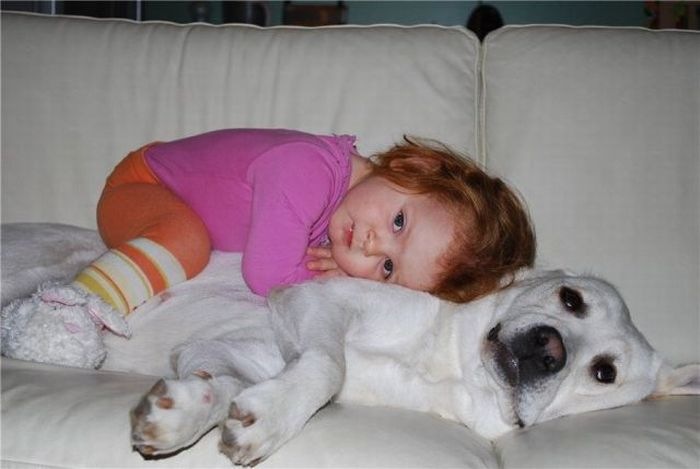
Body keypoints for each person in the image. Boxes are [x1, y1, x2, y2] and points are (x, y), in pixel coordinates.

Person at [11, 128, 536, 319]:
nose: (372, 245)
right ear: (414, 167)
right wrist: (329, 280)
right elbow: (266, 275)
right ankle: (67, 308)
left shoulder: (343, 212)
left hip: (163, 195)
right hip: (140, 186)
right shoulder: (307, 170)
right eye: (399, 222)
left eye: (387, 269)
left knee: (193, 244)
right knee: (186, 242)